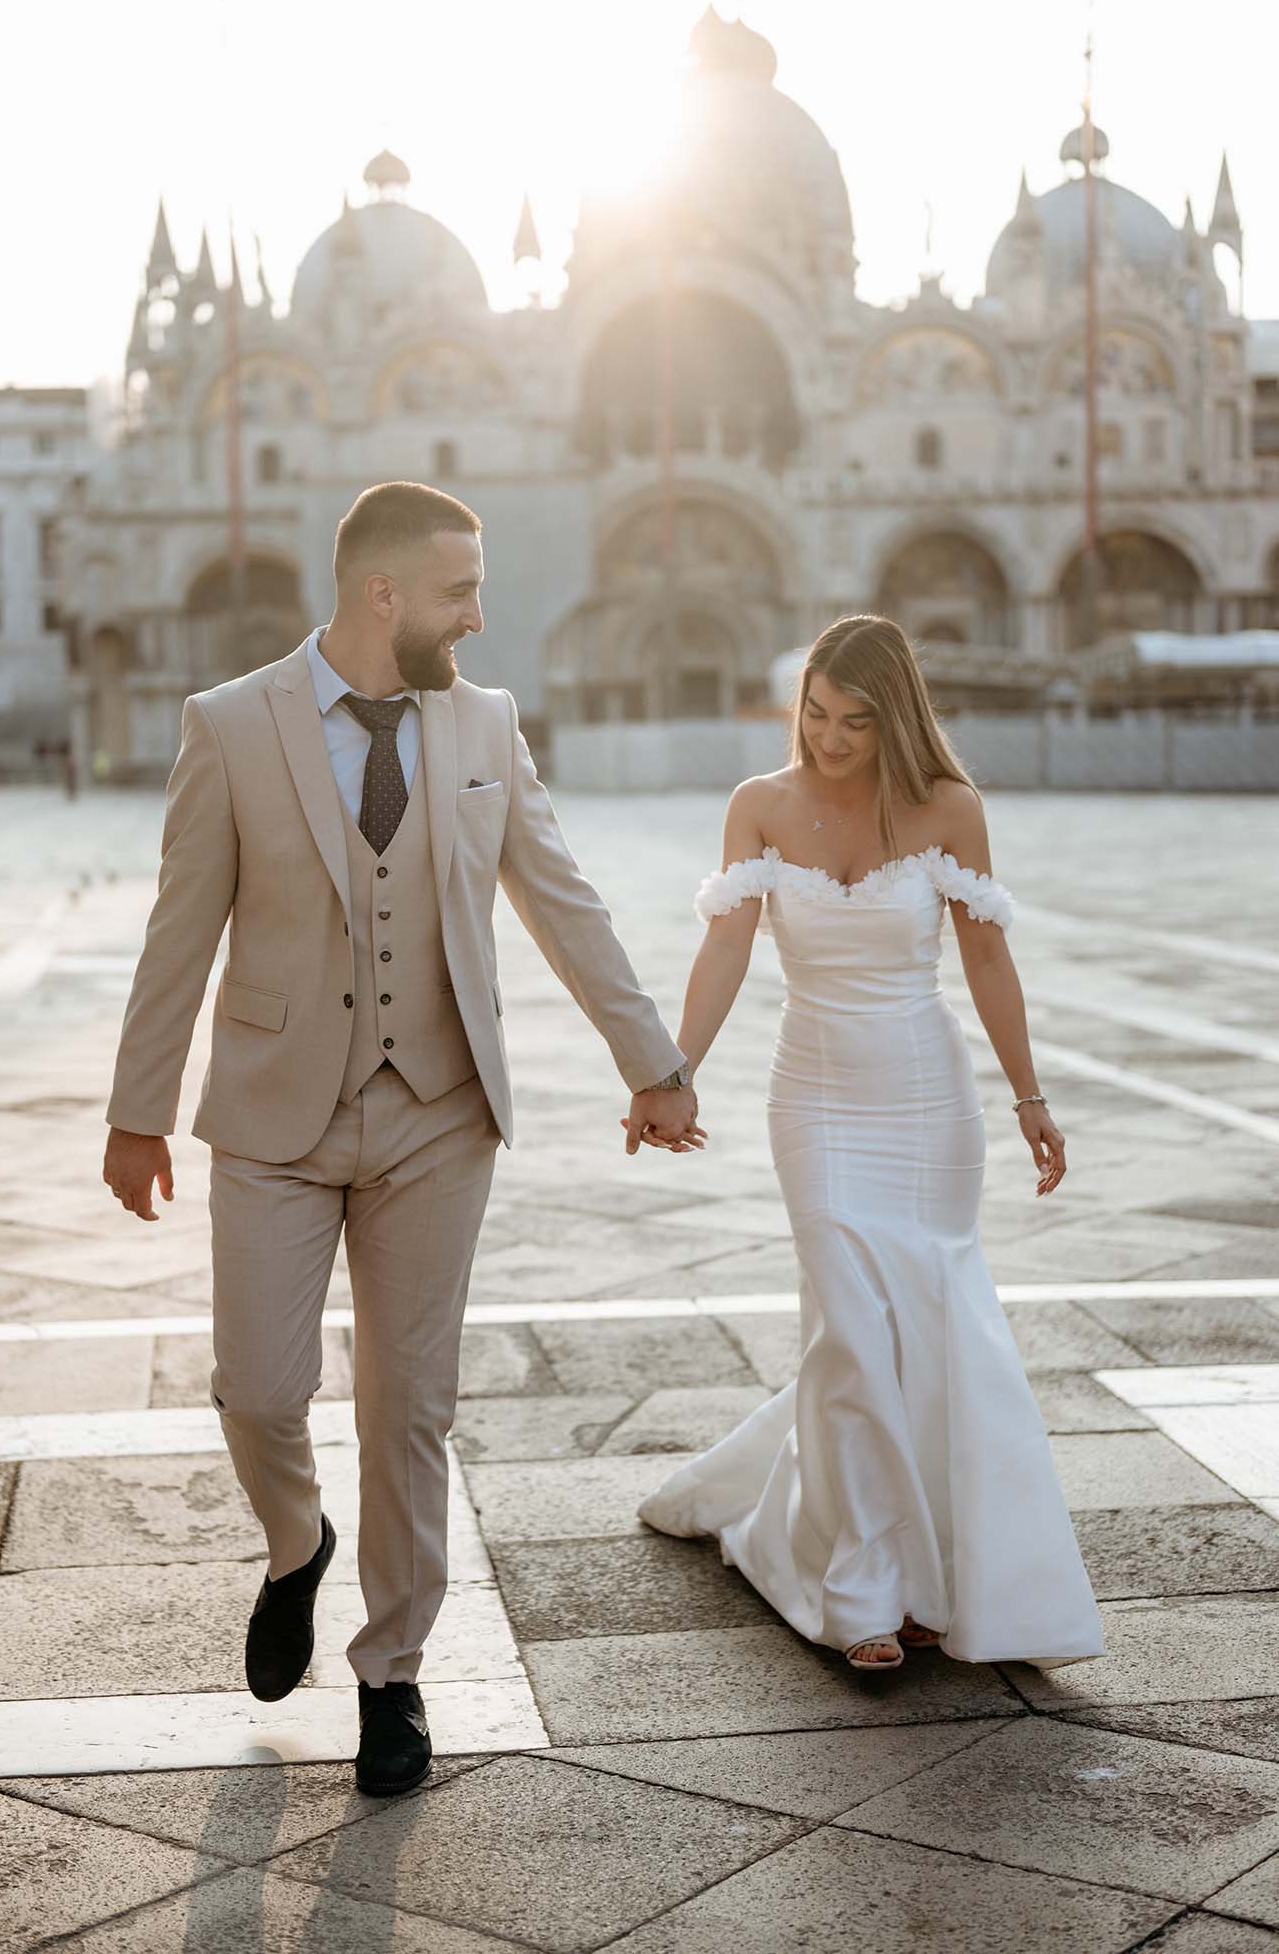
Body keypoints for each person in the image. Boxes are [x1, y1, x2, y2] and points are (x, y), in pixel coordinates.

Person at [102, 482, 702, 1793]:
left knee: (408, 1410)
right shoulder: (231, 724)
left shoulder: (484, 723)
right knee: (260, 1390)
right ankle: (293, 1542)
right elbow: (179, 926)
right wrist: (136, 1109)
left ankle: (392, 1676)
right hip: (272, 1115)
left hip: (438, 1115)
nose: (478, 617)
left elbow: (560, 898)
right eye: (457, 592)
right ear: (383, 595)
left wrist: (652, 1061)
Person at [637, 614, 1105, 1673]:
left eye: (855, 719)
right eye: (815, 712)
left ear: (895, 715)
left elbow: (986, 961)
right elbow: (725, 947)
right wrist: (673, 1071)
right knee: (849, 1326)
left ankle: (933, 1575)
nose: (831, 737)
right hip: (814, 1097)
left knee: (930, 1329)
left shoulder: (950, 807)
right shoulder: (759, 804)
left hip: (928, 1101)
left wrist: (1029, 1095)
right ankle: (861, 1585)